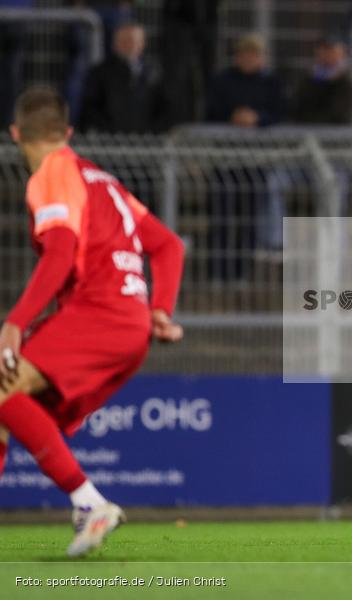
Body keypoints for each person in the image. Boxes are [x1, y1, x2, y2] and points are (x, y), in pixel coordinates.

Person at [0, 85, 185, 557]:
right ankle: (87, 502)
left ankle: (89, 503)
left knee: (1, 386)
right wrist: (160, 308)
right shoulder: (103, 181)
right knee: (8, 403)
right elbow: (168, 245)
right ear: (68, 131)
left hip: (97, 314)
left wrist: (16, 320)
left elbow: (61, 251)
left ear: (16, 133)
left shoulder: (50, 174)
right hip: (131, 326)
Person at [206, 33, 285, 280]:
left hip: (256, 160)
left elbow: (281, 113)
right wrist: (232, 117)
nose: (250, 59)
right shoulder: (221, 81)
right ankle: (217, 272)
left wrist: (258, 119)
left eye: (255, 54)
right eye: (245, 54)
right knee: (222, 217)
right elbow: (210, 112)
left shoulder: (272, 83)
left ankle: (242, 272)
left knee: (250, 219)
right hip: (225, 159)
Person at [79, 22, 169, 133]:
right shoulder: (100, 72)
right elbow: (90, 108)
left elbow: (164, 107)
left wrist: (153, 131)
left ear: (142, 43)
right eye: (123, 41)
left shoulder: (155, 72)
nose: (128, 45)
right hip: (112, 141)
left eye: (132, 41)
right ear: (114, 44)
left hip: (146, 141)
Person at [295, 36, 352, 124]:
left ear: (340, 55)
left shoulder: (345, 83)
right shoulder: (308, 79)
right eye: (321, 51)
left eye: (329, 51)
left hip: (335, 133)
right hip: (307, 131)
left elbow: (338, 114)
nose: (324, 56)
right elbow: (298, 108)